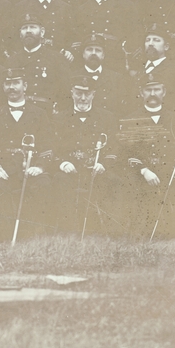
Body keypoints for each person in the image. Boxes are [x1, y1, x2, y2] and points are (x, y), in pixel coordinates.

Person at [0, 66, 54, 242]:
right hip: (5, 169)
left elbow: (48, 146)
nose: (11, 87)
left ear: (25, 86)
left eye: (16, 83)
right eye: (8, 83)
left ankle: (34, 234)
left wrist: (40, 166)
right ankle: (6, 236)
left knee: (43, 184)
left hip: (31, 168)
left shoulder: (40, 114)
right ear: (3, 87)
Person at [116, 76, 175, 239]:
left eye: (157, 89)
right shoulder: (131, 119)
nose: (153, 93)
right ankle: (138, 232)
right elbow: (125, 152)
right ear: (141, 93)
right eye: (148, 90)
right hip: (141, 171)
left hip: (170, 171)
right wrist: (144, 170)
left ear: (164, 92)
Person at [50, 77, 120, 236]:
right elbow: (53, 148)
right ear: (72, 93)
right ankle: (68, 232)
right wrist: (63, 163)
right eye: (79, 93)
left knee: (114, 181)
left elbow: (114, 147)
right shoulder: (59, 118)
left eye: (87, 94)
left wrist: (103, 164)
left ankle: (110, 233)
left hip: (96, 169)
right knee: (60, 181)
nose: (82, 98)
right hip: (70, 171)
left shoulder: (107, 118)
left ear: (93, 94)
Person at [12, 0, 77, 58]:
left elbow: (73, 36)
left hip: (58, 59)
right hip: (30, 58)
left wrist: (70, 52)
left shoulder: (65, 8)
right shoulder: (20, 7)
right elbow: (13, 37)